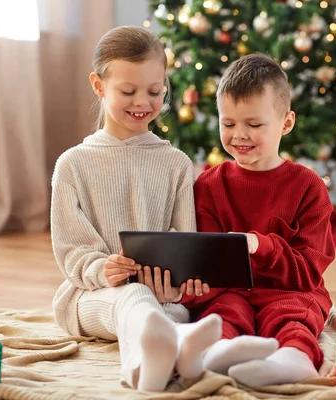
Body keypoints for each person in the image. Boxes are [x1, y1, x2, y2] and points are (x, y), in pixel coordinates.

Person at [50, 26, 221, 392]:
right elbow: (72, 251)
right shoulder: (73, 165)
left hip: (161, 298)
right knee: (133, 296)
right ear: (98, 86)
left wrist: (174, 285)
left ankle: (168, 352)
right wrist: (103, 269)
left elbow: (183, 239)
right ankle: (144, 368)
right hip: (91, 295)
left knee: (175, 312)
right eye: (128, 91)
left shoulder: (176, 163)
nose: (142, 102)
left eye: (155, 92)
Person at [179, 53, 336, 387]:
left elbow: (308, 272)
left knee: (293, 313)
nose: (239, 135)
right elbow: (206, 262)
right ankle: (221, 351)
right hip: (229, 291)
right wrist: (193, 286)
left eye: (254, 124)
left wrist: (258, 246)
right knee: (223, 312)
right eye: (228, 123)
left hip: (289, 289)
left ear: (286, 123)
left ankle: (295, 358)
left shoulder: (308, 187)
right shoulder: (208, 185)